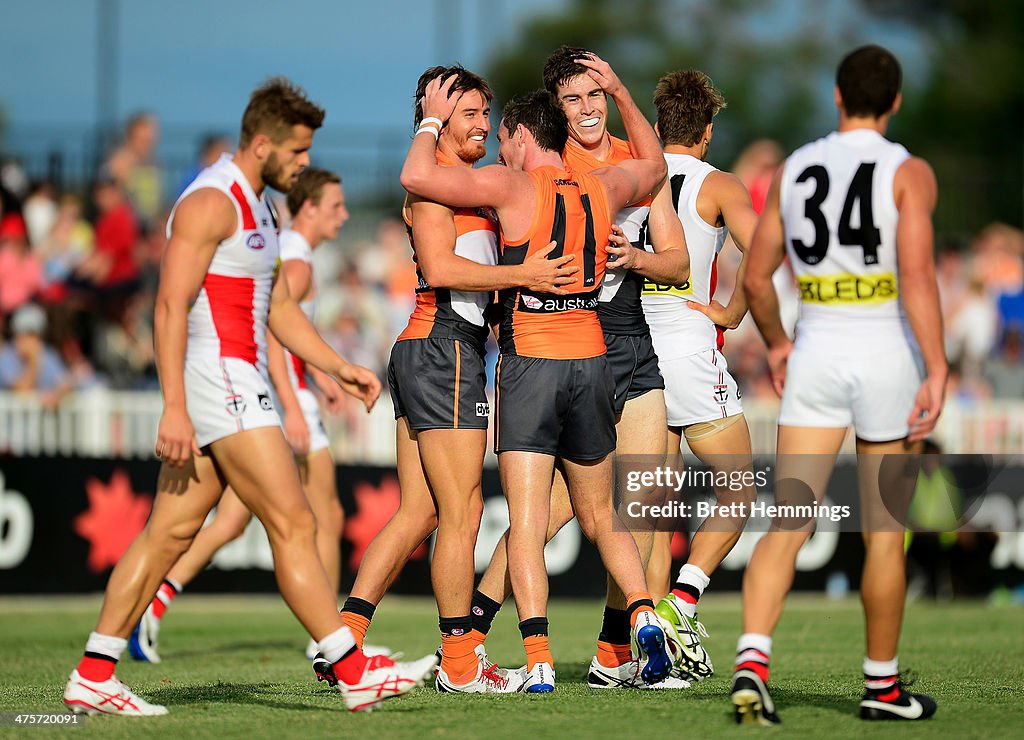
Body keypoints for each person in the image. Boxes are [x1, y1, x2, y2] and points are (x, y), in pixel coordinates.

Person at [61, 78, 436, 718]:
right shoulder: (211, 201)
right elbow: (169, 305)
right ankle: (350, 669)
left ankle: (94, 673)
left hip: (236, 380)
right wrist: (174, 405)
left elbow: (279, 309)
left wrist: (338, 366)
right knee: (293, 521)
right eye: (296, 151)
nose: (303, 164)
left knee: (169, 532)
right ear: (261, 143)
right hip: (221, 380)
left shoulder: (261, 204)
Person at [400, 55, 673, 693]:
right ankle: (644, 617)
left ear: (524, 136)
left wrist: (430, 121)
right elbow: (656, 166)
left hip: (533, 364)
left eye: (503, 137)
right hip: (594, 359)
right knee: (603, 516)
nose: (499, 145)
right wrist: (619, 89)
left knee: (526, 523)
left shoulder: (510, 185)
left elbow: (419, 176)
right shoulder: (603, 188)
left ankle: (540, 660)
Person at [336, 65, 574, 695]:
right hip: (446, 350)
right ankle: (461, 665)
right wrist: (525, 280)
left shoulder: (470, 187)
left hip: (430, 350)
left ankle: (343, 641)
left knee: (418, 512)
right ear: (437, 119)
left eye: (484, 114)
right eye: (468, 113)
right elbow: (441, 266)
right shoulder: (435, 190)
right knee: (463, 513)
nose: (483, 126)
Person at [734, 45, 945, 724]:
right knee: (885, 533)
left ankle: (752, 661)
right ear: (897, 101)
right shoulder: (908, 172)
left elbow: (756, 278)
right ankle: (882, 689)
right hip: (885, 346)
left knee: (788, 517)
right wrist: (938, 366)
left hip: (819, 344)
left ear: (835, 95)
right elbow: (916, 278)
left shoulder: (794, 168)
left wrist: (777, 343)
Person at [126, 167, 377, 664]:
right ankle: (332, 639)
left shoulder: (289, 254)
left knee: (231, 520)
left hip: (266, 398)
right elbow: (271, 336)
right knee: (320, 516)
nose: (343, 215)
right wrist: (295, 408)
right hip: (274, 404)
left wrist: (324, 377)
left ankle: (154, 603)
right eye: (334, 206)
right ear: (308, 208)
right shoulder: (298, 265)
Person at [632, 69, 761, 684]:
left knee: (652, 506)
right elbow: (762, 252)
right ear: (707, 133)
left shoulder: (633, 175)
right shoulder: (718, 184)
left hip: (630, 350)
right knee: (739, 490)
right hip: (686, 347)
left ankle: (650, 653)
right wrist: (731, 313)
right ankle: (681, 604)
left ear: (656, 127)